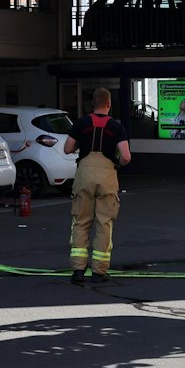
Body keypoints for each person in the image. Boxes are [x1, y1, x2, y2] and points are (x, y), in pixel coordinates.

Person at [63, 87, 130, 283]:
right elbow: (126, 156)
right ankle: (100, 271)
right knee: (104, 223)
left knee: (81, 222)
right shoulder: (116, 127)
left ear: (92, 104)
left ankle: (78, 270)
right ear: (109, 104)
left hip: (84, 174)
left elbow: (68, 148)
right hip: (107, 175)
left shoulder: (81, 123)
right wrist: (117, 164)